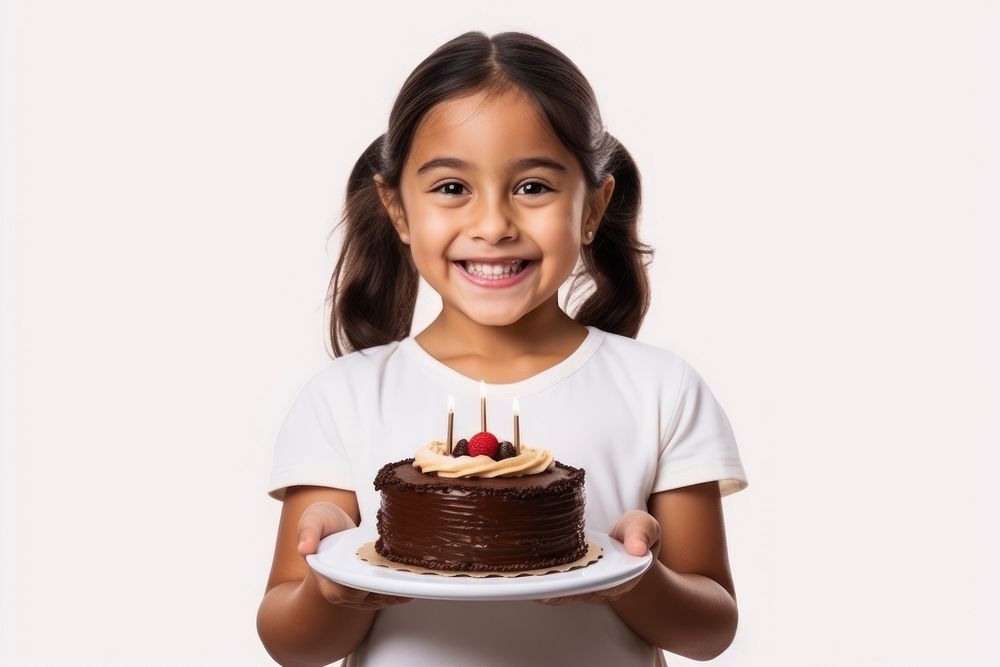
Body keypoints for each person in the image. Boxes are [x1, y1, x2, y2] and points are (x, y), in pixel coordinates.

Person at [256, 30, 749, 667]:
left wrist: (636, 578)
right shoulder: (341, 398)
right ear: (398, 209)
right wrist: (331, 586)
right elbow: (290, 644)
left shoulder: (662, 389)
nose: (493, 225)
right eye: (451, 188)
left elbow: (710, 631)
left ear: (594, 204)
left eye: (534, 186)